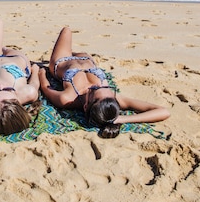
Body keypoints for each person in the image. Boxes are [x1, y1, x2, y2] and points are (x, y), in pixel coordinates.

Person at [38, 27, 170, 138]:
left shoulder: (67, 98)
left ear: (86, 106)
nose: (98, 85)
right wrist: (120, 119)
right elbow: (163, 111)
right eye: (107, 87)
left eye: (94, 89)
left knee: (67, 30)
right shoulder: (111, 99)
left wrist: (41, 71)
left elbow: (45, 87)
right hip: (85, 58)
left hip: (62, 60)